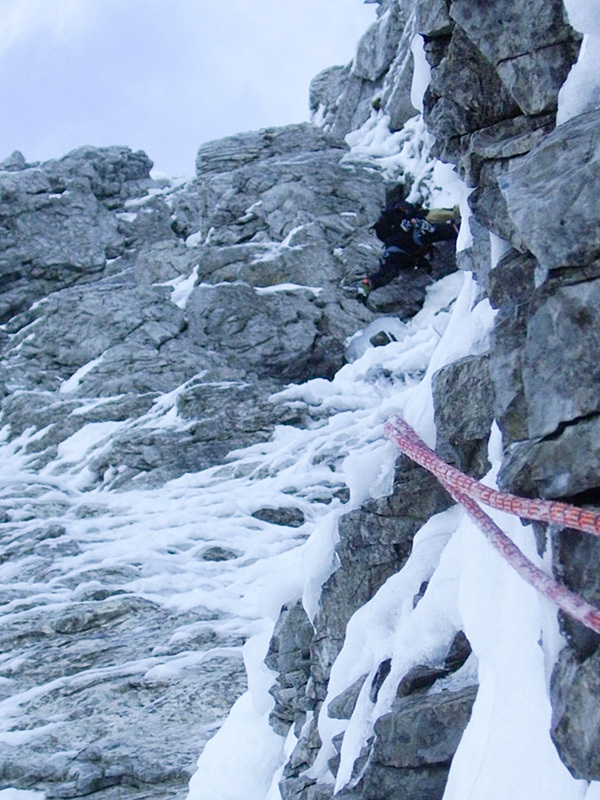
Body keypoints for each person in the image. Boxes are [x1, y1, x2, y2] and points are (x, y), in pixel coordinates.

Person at [357, 201, 460, 304]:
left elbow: (386, 273)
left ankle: (367, 285)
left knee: (387, 271)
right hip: (415, 232)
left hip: (400, 246)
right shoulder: (416, 219)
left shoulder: (393, 240)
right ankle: (462, 217)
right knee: (442, 227)